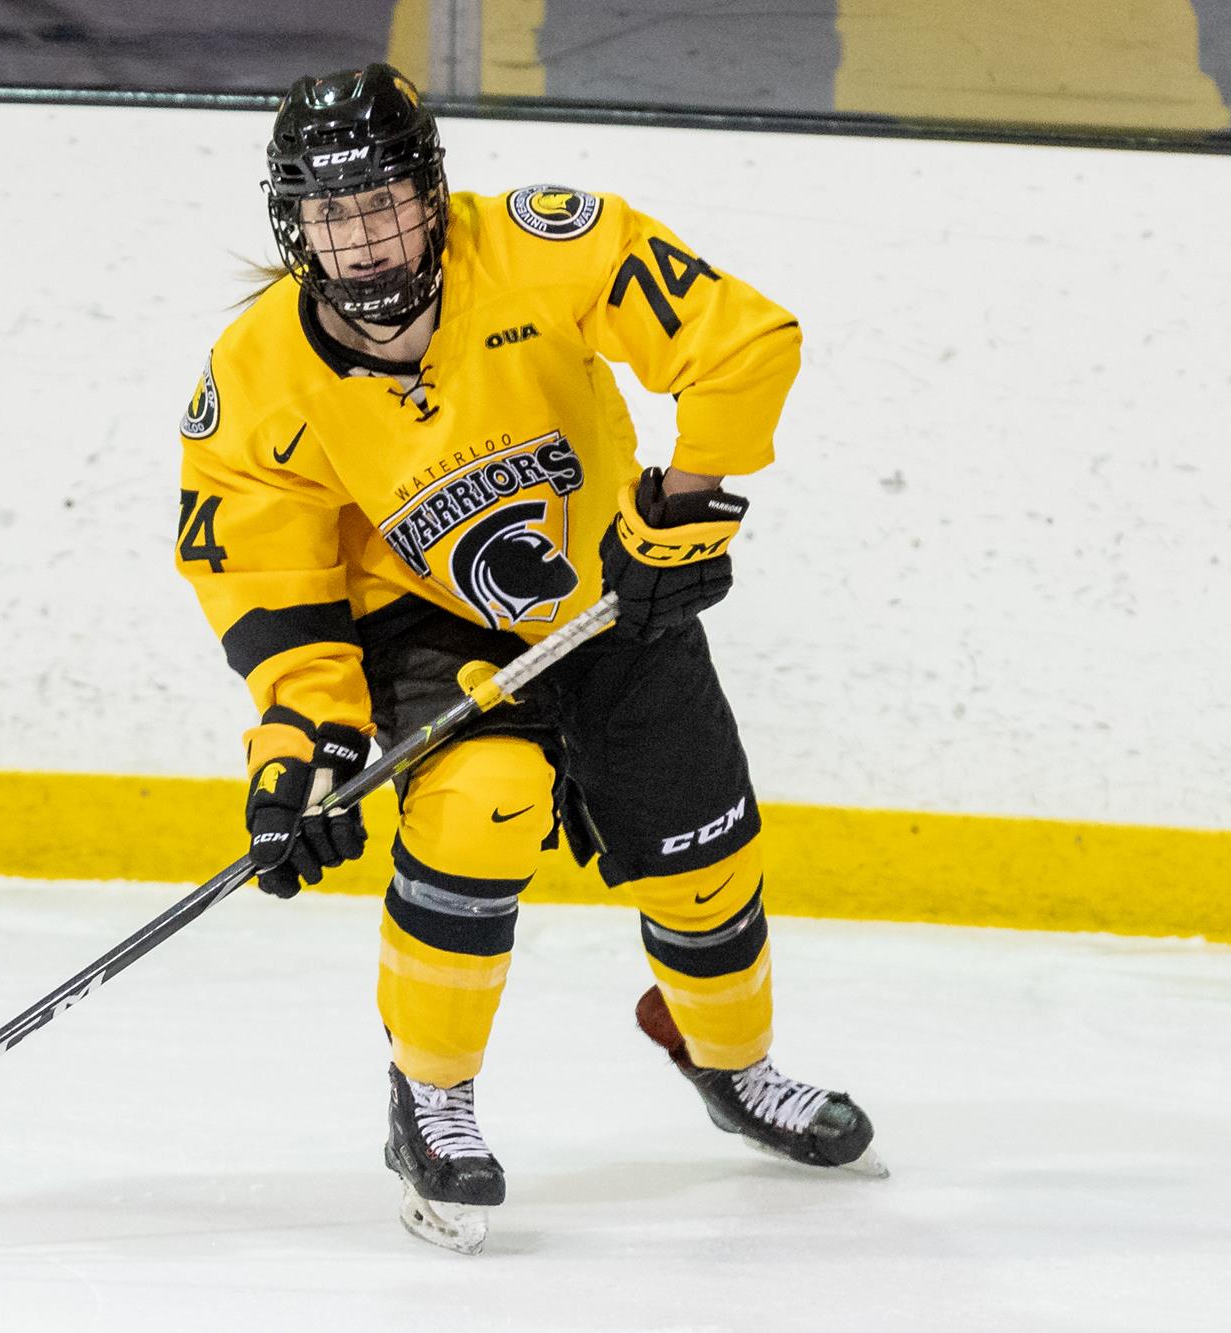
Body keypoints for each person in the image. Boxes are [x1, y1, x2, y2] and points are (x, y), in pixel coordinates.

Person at [173, 62, 881, 1254]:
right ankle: (430, 1100)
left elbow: (743, 342)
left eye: (384, 200)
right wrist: (299, 750)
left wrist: (681, 512)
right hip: (426, 629)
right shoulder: (254, 375)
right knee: (480, 806)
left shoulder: (549, 247)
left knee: (703, 863)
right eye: (332, 211)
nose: (362, 238)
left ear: (431, 187)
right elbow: (267, 580)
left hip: (612, 598)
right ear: (292, 222)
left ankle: (729, 1066)